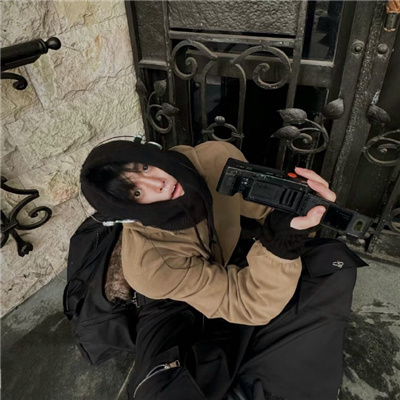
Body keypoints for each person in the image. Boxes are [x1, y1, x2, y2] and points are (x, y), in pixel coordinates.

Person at [80, 139, 366, 400]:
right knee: (162, 391)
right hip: (172, 301)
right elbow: (249, 303)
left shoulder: (215, 160)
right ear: (130, 213)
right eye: (137, 191)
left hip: (227, 263)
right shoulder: (149, 267)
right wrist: (278, 245)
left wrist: (302, 205)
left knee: (334, 265)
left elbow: (269, 213)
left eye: (144, 166)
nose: (159, 182)